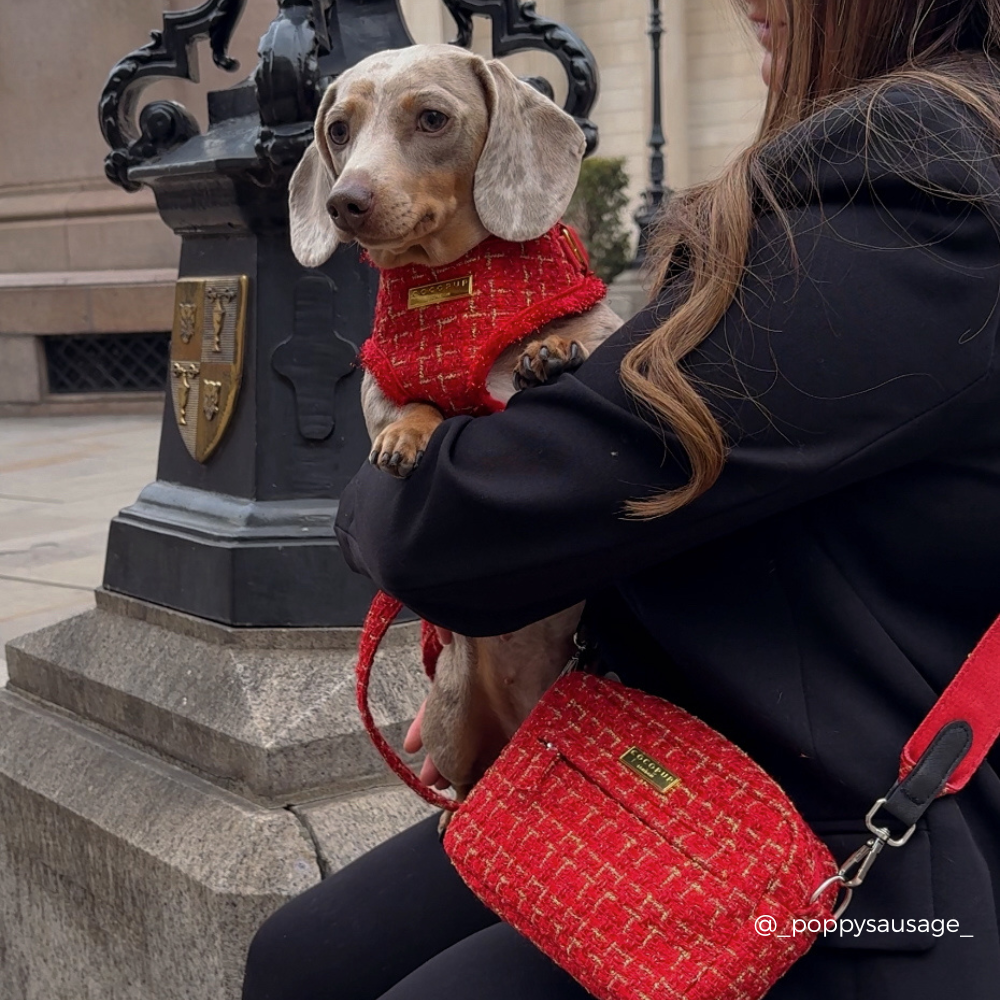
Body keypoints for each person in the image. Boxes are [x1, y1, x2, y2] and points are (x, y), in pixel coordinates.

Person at [242, 1, 1000, 997]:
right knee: (301, 957)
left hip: (835, 837)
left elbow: (468, 522)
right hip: (656, 750)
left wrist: (386, 504)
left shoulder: (916, 183)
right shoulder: (903, 161)